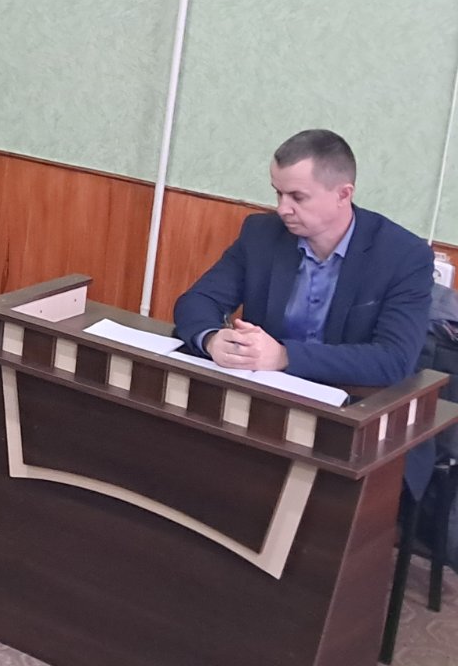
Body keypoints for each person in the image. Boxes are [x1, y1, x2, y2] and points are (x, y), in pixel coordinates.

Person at [173, 129, 433, 491]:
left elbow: (393, 361)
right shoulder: (262, 234)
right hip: (264, 407)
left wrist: (283, 356)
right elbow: (197, 301)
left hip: (354, 420)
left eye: (297, 197)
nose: (283, 208)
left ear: (343, 194)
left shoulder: (403, 256)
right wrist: (213, 339)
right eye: (277, 193)